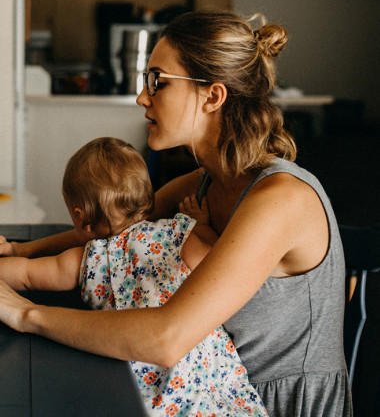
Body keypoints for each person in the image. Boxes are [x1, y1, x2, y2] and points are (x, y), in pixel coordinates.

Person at [0, 10, 353, 416]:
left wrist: (26, 314)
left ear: (213, 96)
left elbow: (167, 339)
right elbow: (116, 232)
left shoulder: (280, 198)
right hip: (203, 394)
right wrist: (20, 252)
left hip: (271, 405)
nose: (142, 97)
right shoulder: (204, 182)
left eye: (157, 81)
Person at [0, 137, 267, 417]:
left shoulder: (92, 258)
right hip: (208, 382)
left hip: (145, 392)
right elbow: (211, 256)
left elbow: (26, 275)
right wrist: (201, 224)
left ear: (79, 216)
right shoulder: (182, 233)